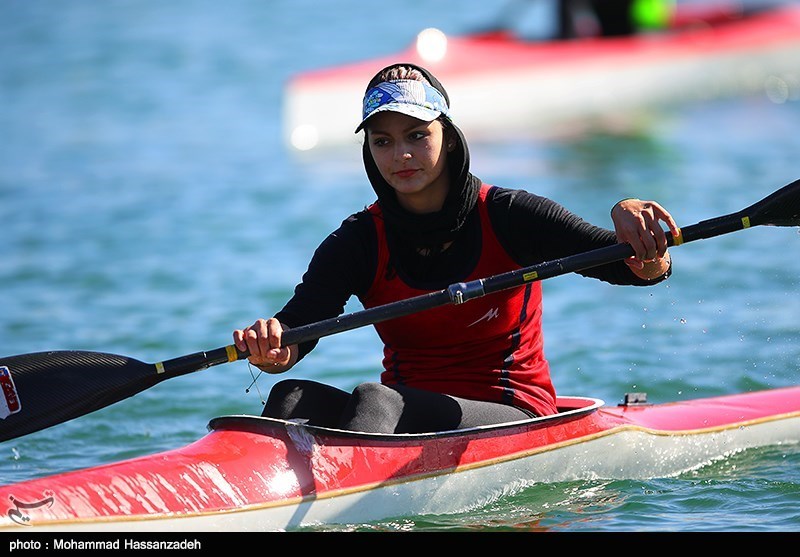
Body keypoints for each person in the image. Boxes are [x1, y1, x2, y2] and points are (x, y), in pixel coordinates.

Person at [233, 63, 679, 434]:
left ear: (447, 135)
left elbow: (640, 269)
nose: (400, 155)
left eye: (416, 135)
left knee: (375, 399)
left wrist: (634, 222)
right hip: (402, 417)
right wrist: (273, 348)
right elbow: (298, 329)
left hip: (513, 415)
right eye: (382, 141)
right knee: (290, 397)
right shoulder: (358, 240)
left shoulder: (509, 215)